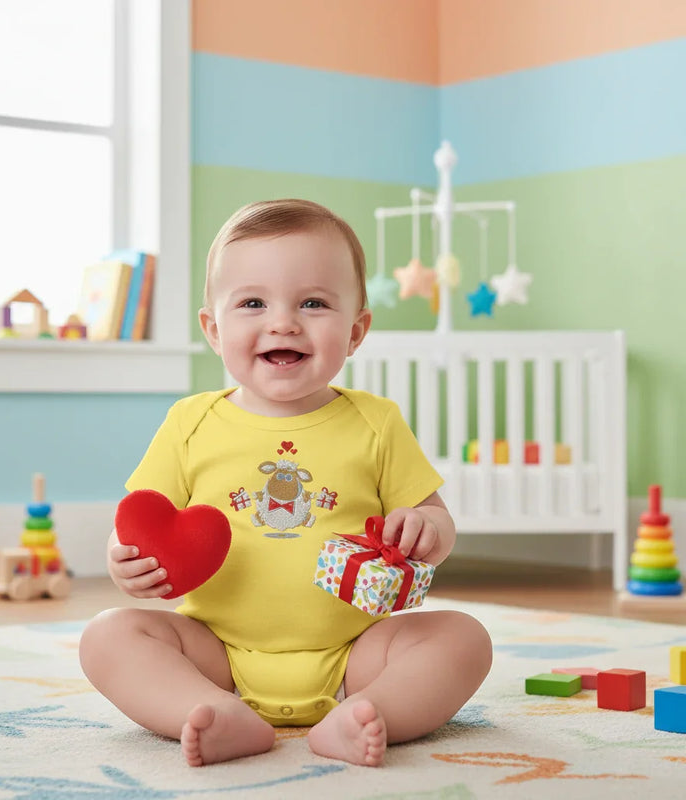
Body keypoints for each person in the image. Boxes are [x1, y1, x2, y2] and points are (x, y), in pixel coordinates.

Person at [79, 199, 492, 768]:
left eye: (314, 303)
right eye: (252, 303)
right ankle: (210, 711)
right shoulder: (190, 421)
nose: (283, 322)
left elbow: (437, 521)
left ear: (355, 331)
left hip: (356, 653)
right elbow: (140, 519)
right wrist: (125, 561)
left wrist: (425, 530)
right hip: (215, 651)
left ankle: (368, 713)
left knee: (463, 639)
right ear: (213, 329)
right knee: (108, 637)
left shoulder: (376, 422)